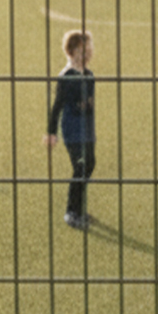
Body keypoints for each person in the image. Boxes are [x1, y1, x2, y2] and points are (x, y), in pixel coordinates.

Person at [45, 29, 97, 231]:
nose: (90, 52)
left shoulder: (90, 75)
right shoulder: (66, 77)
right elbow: (57, 106)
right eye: (85, 49)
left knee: (90, 164)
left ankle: (79, 208)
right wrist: (51, 132)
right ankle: (71, 211)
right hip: (73, 130)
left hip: (88, 130)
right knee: (80, 167)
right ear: (72, 52)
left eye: (90, 48)